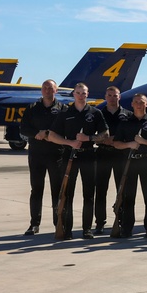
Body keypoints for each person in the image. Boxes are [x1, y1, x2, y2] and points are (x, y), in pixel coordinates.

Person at [47, 83, 109, 239]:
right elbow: (52, 136)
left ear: (87, 94)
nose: (81, 96)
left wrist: (89, 138)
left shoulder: (95, 113)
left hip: (88, 155)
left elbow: (105, 134)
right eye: (78, 93)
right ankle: (66, 229)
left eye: (84, 93)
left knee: (89, 194)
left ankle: (87, 229)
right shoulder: (65, 113)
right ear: (73, 94)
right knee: (67, 194)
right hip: (69, 156)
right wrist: (70, 142)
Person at [112, 94, 147, 238]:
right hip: (130, 162)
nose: (139, 105)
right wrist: (129, 144)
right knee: (128, 196)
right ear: (132, 104)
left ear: (146, 104)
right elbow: (116, 143)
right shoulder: (125, 122)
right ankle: (127, 227)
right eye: (136, 102)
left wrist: (143, 141)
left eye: (141, 102)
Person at [20, 79, 66, 236]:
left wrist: (47, 133)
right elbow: (23, 128)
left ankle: (58, 222)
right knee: (36, 189)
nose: (47, 90)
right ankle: (34, 224)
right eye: (45, 88)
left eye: (50, 88)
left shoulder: (63, 109)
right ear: (41, 90)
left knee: (57, 190)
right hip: (36, 155)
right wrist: (36, 134)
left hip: (56, 155)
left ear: (56, 90)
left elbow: (67, 129)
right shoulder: (32, 108)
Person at [95, 86, 131, 235]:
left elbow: (131, 134)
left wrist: (115, 139)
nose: (112, 98)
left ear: (119, 97)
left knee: (122, 189)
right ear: (105, 96)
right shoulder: (98, 114)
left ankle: (121, 220)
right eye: (109, 95)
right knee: (100, 189)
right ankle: (100, 223)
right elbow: (91, 134)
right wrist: (102, 140)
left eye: (115, 95)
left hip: (121, 155)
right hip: (103, 154)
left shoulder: (127, 115)